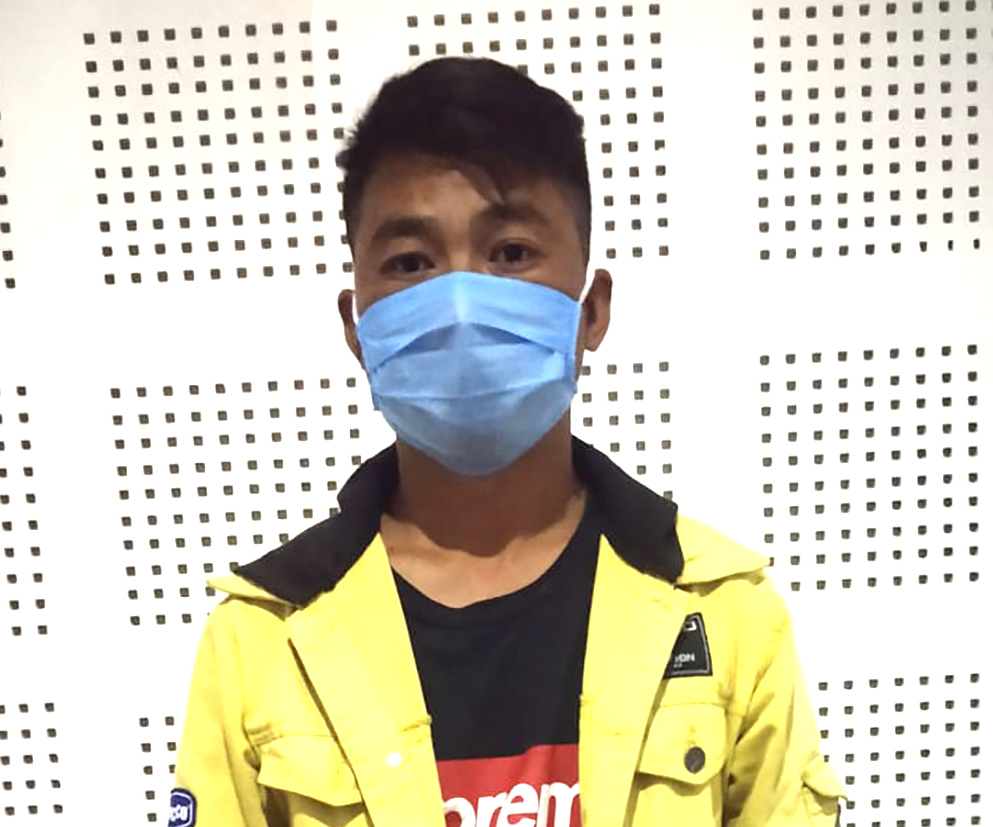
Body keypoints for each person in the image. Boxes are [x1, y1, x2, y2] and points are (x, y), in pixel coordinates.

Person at [167, 56, 845, 827]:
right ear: (358, 328)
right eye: (411, 262)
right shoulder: (262, 639)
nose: (460, 301)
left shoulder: (725, 612)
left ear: (591, 312)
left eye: (511, 253)